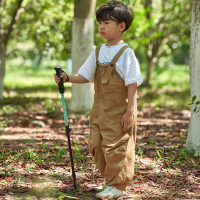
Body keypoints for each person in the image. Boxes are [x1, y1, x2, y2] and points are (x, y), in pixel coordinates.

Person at [54, 1, 143, 199]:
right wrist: (67, 78)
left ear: (122, 26)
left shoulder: (126, 53)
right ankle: (109, 181)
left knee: (116, 147)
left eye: (107, 23)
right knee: (97, 144)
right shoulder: (98, 51)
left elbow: (132, 84)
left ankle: (118, 186)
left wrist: (130, 113)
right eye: (100, 22)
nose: (102, 26)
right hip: (99, 110)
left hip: (120, 111)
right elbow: (85, 76)